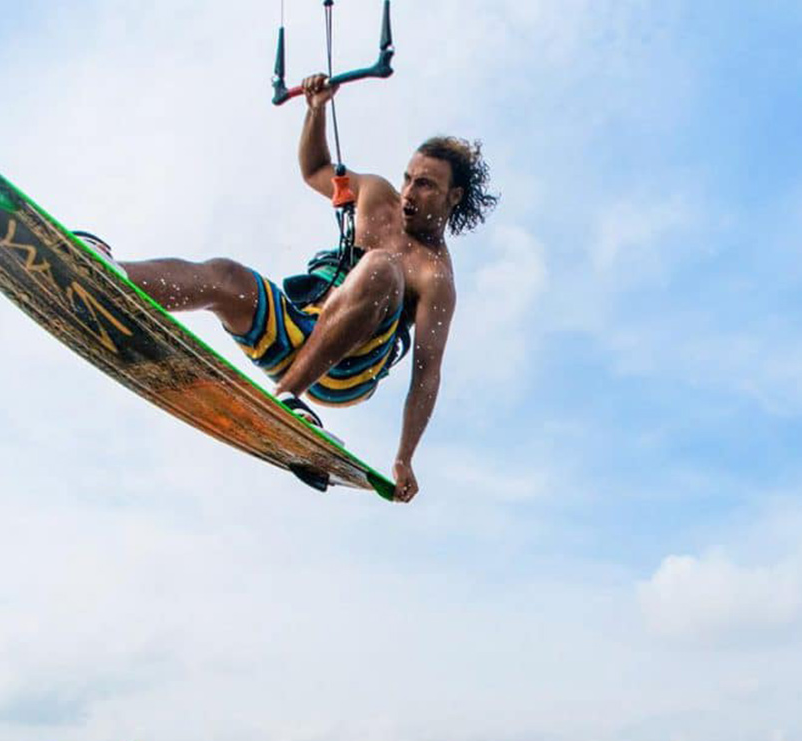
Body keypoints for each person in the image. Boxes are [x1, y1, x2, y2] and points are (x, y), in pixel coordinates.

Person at [79, 74, 497, 503]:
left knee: (381, 268)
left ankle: (286, 396)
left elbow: (427, 374)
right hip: (300, 330)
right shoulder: (373, 193)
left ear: (453, 197)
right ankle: (110, 275)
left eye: (425, 185)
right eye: (408, 178)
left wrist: (404, 456)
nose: (409, 192)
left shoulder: (435, 277)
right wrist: (316, 109)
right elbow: (315, 169)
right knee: (227, 277)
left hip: (345, 374)